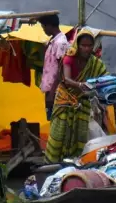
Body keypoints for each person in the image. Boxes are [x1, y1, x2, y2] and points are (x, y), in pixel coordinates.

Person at [45, 30, 108, 163]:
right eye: (83, 45)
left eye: (89, 45)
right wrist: (81, 85)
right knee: (60, 131)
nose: (86, 48)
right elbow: (67, 79)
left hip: (82, 101)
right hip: (65, 100)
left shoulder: (95, 63)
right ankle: (53, 162)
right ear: (77, 45)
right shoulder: (69, 58)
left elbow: (104, 78)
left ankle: (75, 161)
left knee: (79, 132)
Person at [38, 14, 69, 121]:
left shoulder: (61, 43)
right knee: (51, 119)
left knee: (56, 120)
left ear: (50, 26)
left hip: (56, 90)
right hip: (50, 88)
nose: (43, 30)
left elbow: (61, 70)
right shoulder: (53, 41)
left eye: (43, 27)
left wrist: (52, 93)